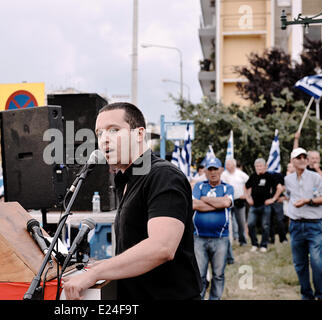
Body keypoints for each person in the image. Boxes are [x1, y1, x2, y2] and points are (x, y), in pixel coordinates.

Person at [62, 102, 202, 300]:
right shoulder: (126, 179)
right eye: (99, 133)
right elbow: (136, 243)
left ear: (139, 134)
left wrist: (96, 273)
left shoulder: (163, 175)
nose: (104, 140)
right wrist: (106, 265)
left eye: (114, 130)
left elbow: (161, 247)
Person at [192, 157, 234, 300]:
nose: (213, 172)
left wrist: (205, 199)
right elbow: (194, 205)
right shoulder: (199, 186)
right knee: (200, 274)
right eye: (209, 169)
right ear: (205, 171)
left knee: (218, 274)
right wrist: (218, 203)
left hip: (220, 238)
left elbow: (227, 202)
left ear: (221, 170)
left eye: (215, 168)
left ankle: (215, 298)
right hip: (199, 237)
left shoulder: (228, 188)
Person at [284, 147, 322, 300]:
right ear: (292, 161)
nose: (301, 160)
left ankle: (320, 294)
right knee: (299, 264)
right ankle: (306, 295)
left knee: (317, 262)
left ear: (307, 160)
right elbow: (289, 196)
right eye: (298, 157)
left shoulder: (316, 178)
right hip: (296, 225)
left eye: (303, 157)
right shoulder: (288, 179)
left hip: (314, 225)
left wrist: (308, 201)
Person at [245, 158, 281, 252]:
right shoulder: (253, 176)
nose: (259, 168)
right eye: (257, 166)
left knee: (265, 225)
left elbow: (279, 188)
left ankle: (264, 245)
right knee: (250, 224)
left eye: (260, 166)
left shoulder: (269, 176)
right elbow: (245, 187)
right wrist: (248, 198)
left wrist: (273, 199)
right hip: (254, 206)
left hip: (265, 205)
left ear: (265, 166)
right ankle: (254, 244)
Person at [221, 158, 249, 246]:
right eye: (226, 164)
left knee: (241, 221)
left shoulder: (241, 174)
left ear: (233, 165)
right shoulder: (223, 175)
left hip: (239, 200)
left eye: (229, 164)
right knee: (227, 221)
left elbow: (250, 185)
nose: (227, 166)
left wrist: (246, 195)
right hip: (227, 201)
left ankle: (242, 240)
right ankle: (229, 240)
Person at [268, 171, 288, 244]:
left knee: (280, 220)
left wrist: (277, 198)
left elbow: (283, 187)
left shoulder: (279, 176)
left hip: (277, 201)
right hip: (268, 200)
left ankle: (283, 239)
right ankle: (271, 239)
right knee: (269, 221)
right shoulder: (265, 175)